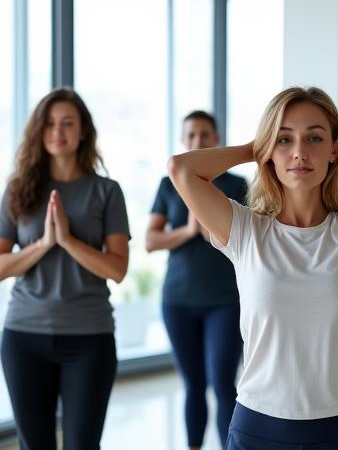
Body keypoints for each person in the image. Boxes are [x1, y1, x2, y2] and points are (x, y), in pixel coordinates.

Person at [167, 86, 338, 449]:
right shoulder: (245, 230)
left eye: (314, 138)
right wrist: (257, 146)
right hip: (259, 427)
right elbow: (181, 168)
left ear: (334, 148)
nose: (299, 153)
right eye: (284, 139)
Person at [0, 88, 130, 450]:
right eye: (50, 123)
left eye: (68, 122)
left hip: (89, 339)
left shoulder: (107, 191)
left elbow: (117, 269)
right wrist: (43, 244)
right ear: (38, 131)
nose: (58, 131)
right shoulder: (18, 191)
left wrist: (69, 240)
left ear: (83, 130)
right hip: (23, 336)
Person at [146, 110, 246, 449]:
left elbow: (246, 240)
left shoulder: (236, 185)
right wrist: (188, 231)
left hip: (225, 301)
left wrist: (211, 232)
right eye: (190, 135)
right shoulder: (167, 184)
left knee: (222, 384)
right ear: (182, 140)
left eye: (204, 135)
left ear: (215, 140)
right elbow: (150, 240)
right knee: (193, 384)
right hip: (178, 300)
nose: (197, 141)